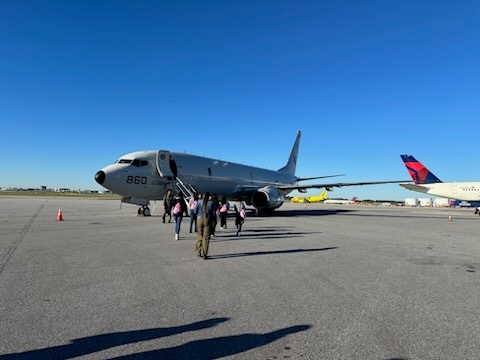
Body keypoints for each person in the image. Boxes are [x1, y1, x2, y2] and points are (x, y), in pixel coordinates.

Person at [193, 191, 215, 259]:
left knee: (199, 235)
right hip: (207, 220)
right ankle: (204, 253)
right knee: (206, 237)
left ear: (202, 196)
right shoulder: (211, 203)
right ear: (209, 197)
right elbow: (213, 214)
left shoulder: (199, 202)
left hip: (199, 219)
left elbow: (194, 211)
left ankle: (199, 251)